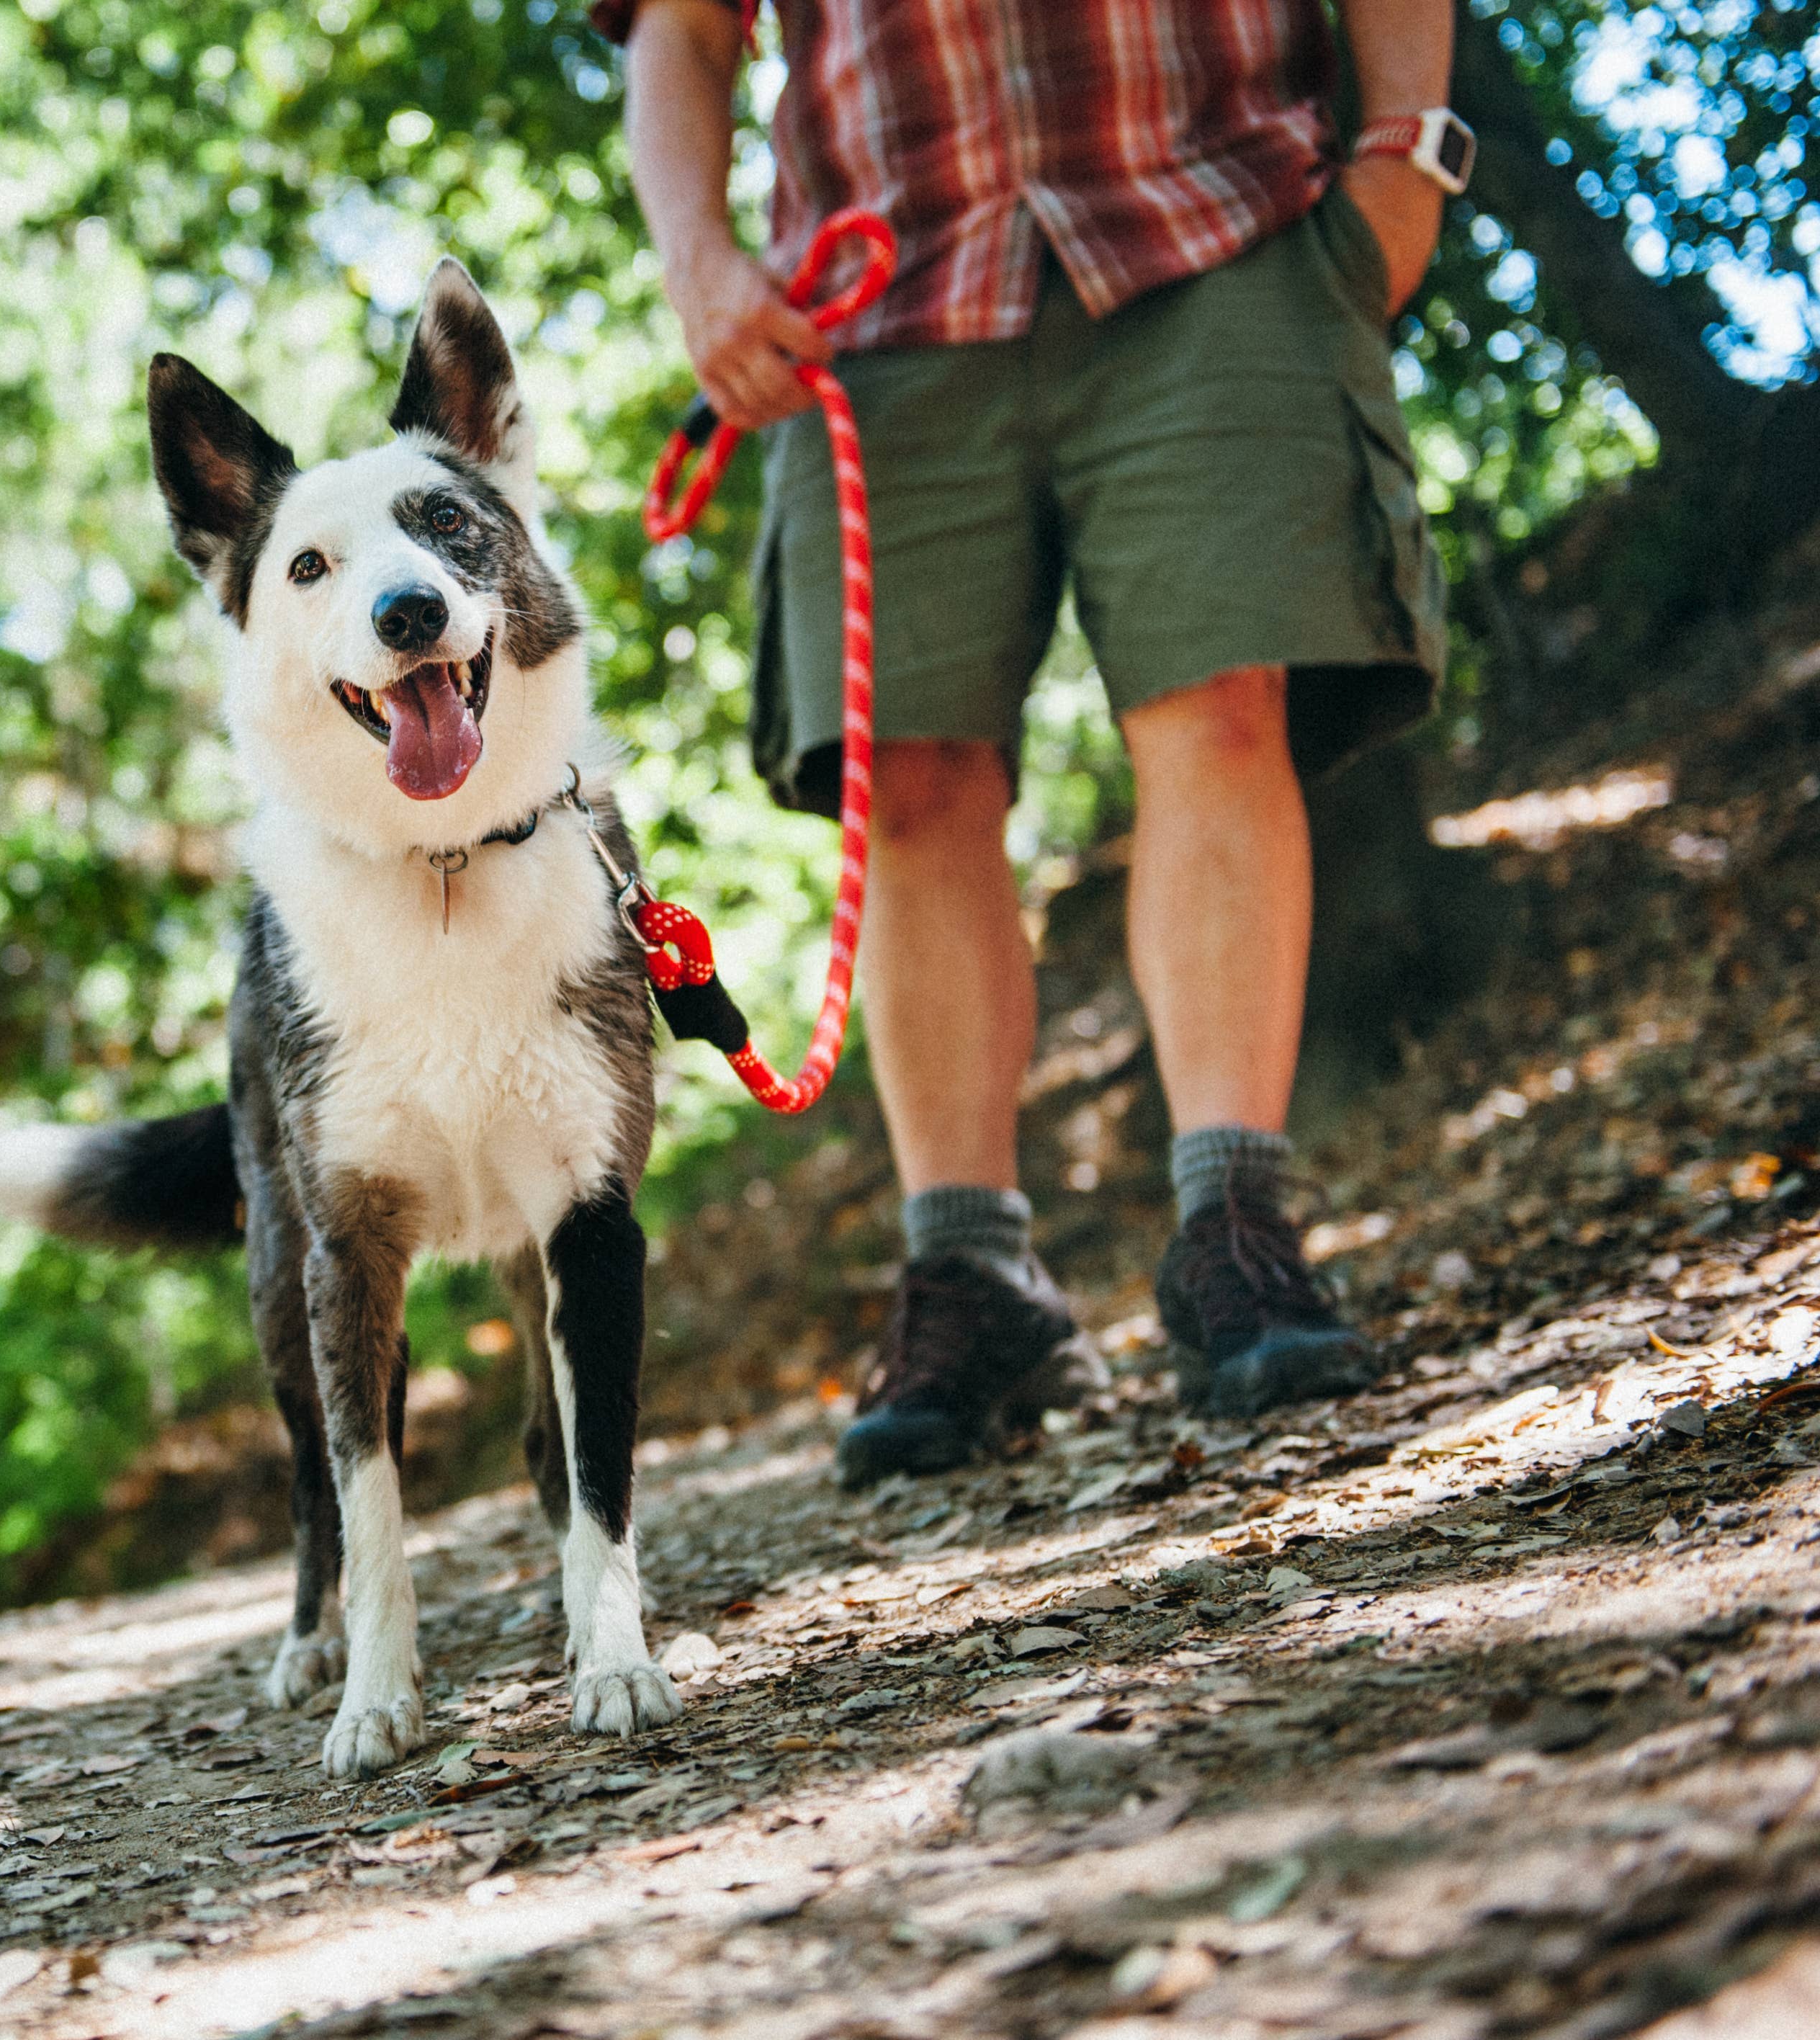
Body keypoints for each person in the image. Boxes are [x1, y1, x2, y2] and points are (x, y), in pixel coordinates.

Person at [595, 0, 1466, 1485]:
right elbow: (676, 29)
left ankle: (1232, 1223)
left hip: (1215, 221)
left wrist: (1407, 160)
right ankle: (971, 1274)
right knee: (913, 782)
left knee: (1215, 705)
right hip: (869, 301)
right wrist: (699, 267)